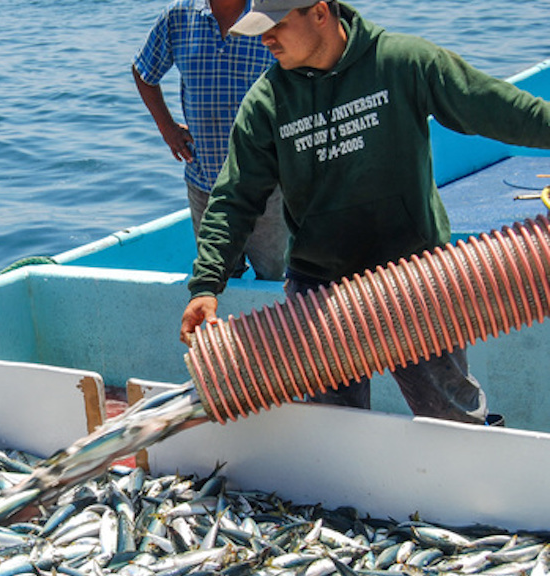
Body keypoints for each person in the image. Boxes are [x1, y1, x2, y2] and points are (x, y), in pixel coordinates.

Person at [179, 0, 550, 424]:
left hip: (415, 276)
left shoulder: (403, 62)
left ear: (319, 12)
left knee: (452, 416)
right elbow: (234, 199)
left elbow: (499, 109)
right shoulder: (267, 102)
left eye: (276, 26)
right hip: (321, 293)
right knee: (335, 431)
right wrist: (206, 284)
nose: (266, 40)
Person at [132, 0, 288, 280]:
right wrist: (167, 127)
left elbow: (308, 77)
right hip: (205, 182)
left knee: (276, 280)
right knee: (218, 281)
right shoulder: (178, 16)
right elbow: (144, 71)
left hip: (267, 184)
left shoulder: (270, 14)